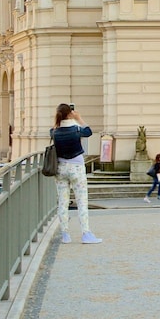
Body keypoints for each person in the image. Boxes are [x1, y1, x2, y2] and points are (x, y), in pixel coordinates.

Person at [50, 103, 102, 244]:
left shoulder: (54, 131)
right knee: (81, 200)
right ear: (70, 113)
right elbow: (88, 131)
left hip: (60, 169)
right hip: (76, 168)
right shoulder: (76, 129)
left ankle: (65, 234)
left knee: (62, 201)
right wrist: (79, 118)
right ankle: (86, 233)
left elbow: (54, 129)